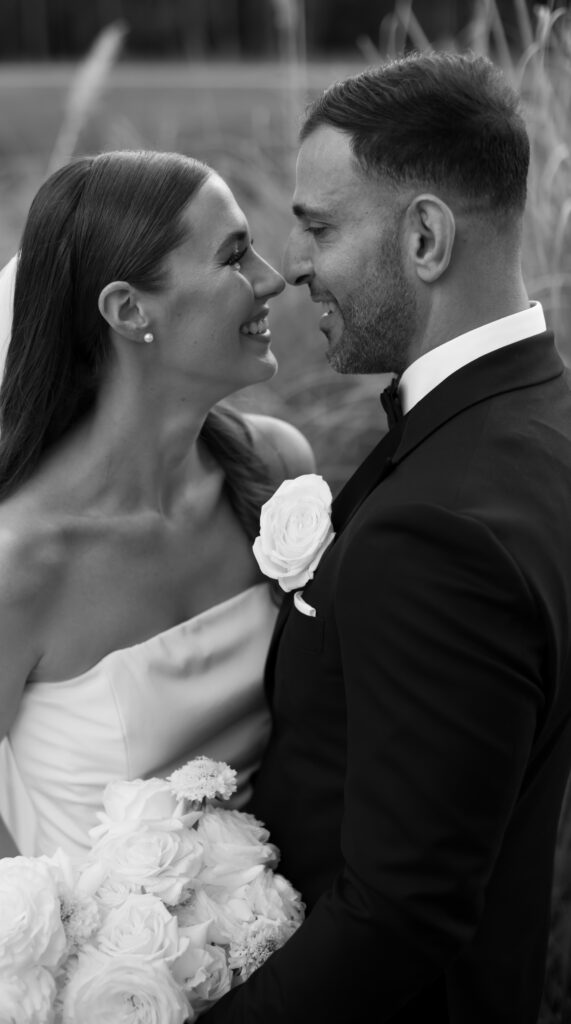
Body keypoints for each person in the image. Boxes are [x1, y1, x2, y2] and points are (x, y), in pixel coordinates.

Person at [0, 149, 314, 1023]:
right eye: (233, 256)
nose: (270, 281)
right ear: (128, 311)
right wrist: (52, 958)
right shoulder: (14, 566)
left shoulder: (277, 474)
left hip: (298, 946)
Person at [202, 51, 571, 1024]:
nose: (293, 269)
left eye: (318, 226)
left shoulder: (435, 531)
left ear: (421, 236)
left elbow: (396, 916)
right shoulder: (538, 417)